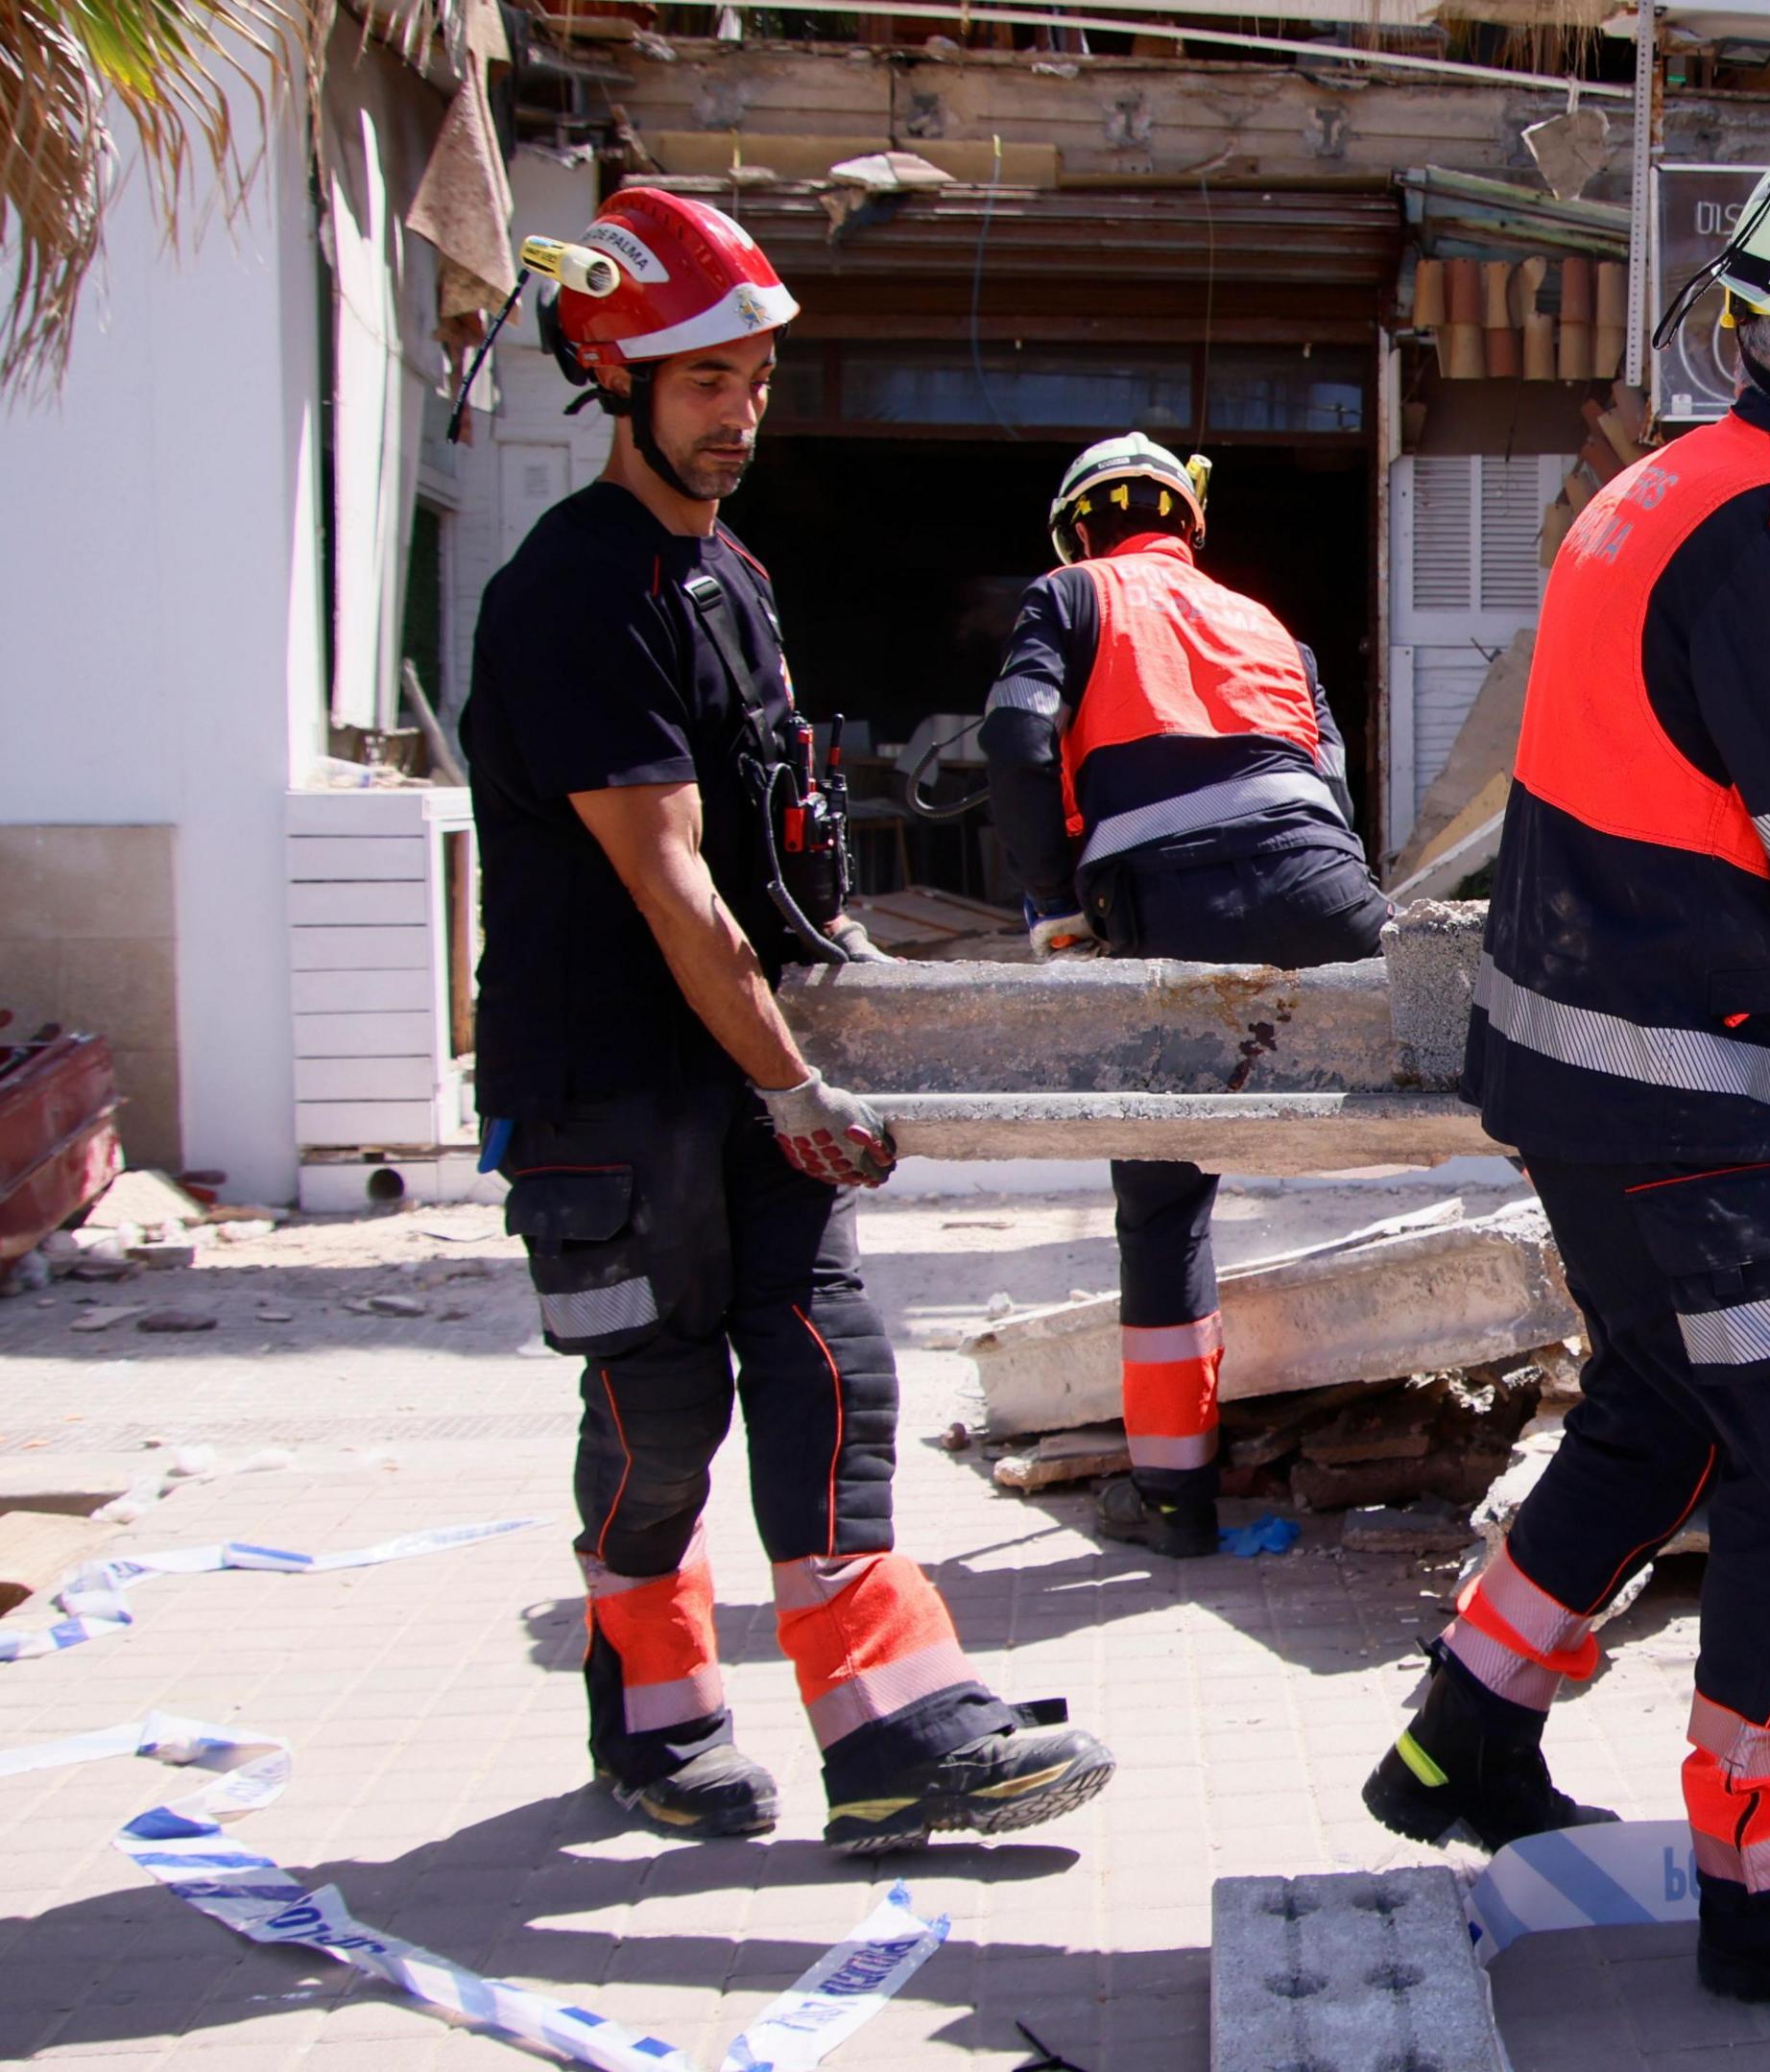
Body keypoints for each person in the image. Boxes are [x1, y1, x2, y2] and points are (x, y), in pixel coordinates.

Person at [1355, 123, 1770, 2034]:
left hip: (1609, 1072)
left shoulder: (1710, 490)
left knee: (1656, 1418)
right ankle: (1769, 1876)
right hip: (1677, 1090)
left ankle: (1462, 1738)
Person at [464, 188, 1112, 1852]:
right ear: (614, 377)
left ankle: (893, 1726)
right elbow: (670, 882)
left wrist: (834, 1025)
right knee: (658, 1411)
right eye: (702, 383)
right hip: (614, 1083)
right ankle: (656, 1711)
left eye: (754, 378)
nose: (738, 413)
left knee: (832, 1372)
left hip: (744, 1069)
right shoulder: (573, 591)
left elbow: (768, 856)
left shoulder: (728, 575)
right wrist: (796, 1080)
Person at [978, 434, 1391, 1557]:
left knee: (1164, 1195)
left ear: (1077, 530)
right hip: (1325, 885)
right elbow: (1336, 784)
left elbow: (1017, 736)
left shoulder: (1070, 594)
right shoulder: (1270, 626)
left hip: (1166, 908)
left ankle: (1174, 1499)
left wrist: (1055, 902)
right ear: (1188, 527)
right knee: (1494, 1089)